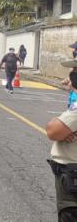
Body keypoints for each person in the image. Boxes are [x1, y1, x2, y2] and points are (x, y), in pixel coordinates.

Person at [46, 58, 77, 222]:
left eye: (74, 70)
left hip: (72, 174)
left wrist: (58, 123)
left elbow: (53, 131)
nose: (71, 74)